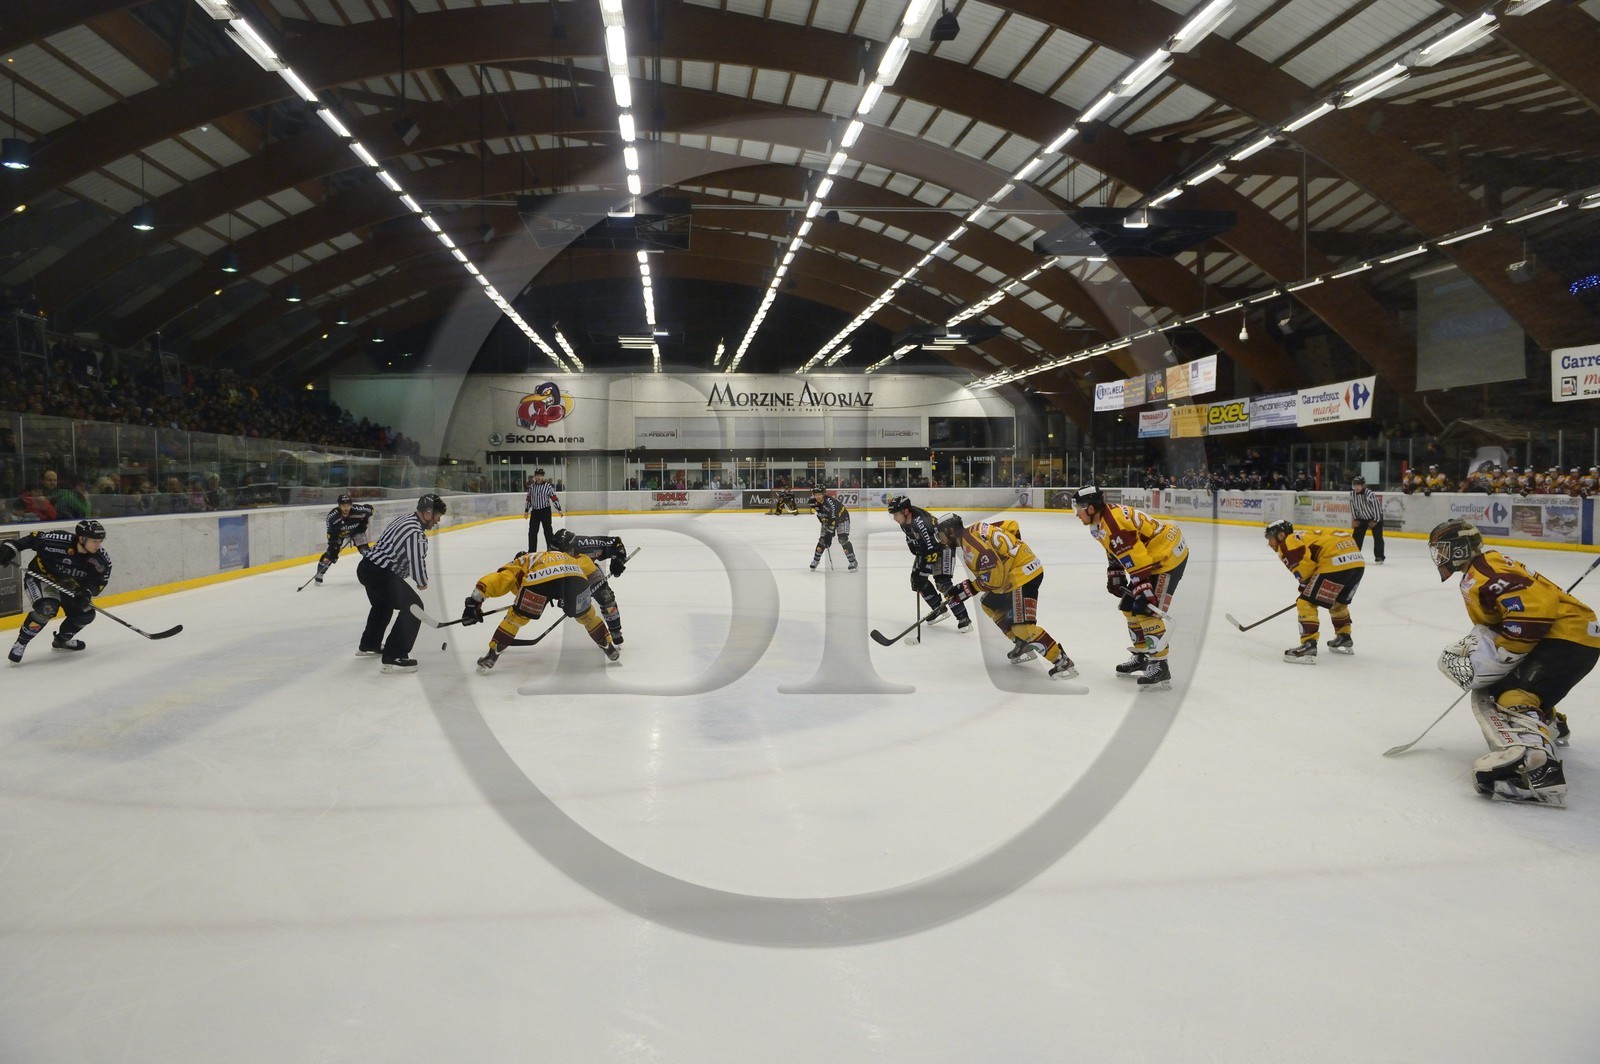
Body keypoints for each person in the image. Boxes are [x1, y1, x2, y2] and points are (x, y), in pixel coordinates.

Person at [1429, 519, 1597, 806]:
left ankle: (1539, 774)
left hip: (1568, 638)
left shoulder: (1484, 571)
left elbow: (1533, 608)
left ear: (1459, 548)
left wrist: (1507, 651)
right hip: (1569, 634)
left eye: (1442, 549)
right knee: (1508, 686)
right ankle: (1552, 724)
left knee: (1512, 697)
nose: (1439, 557)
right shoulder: (1484, 567)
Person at [1072, 486, 1187, 690]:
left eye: (1079, 508)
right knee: (1128, 606)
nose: (1076, 514)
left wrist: (1143, 589)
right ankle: (1143, 655)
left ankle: (1160, 665)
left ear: (1091, 508)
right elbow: (1115, 548)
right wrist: (1115, 571)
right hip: (1150, 556)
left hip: (1167, 557)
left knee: (1146, 610)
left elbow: (1138, 558)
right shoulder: (1099, 523)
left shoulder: (1114, 524)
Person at [934, 512, 1075, 679]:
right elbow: (1011, 525)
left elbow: (995, 580)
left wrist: (966, 589)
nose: (940, 540)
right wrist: (1013, 554)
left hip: (1023, 577)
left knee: (1023, 627)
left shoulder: (971, 547)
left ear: (950, 531)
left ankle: (1061, 660)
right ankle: (1022, 643)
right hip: (1017, 574)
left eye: (941, 535)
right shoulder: (975, 529)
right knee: (989, 604)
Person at [461, 545, 621, 672]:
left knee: (515, 619)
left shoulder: (521, 561)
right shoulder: (558, 555)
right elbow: (586, 562)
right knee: (587, 616)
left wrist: (474, 601)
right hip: (574, 575)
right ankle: (609, 647)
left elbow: (499, 579)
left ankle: (491, 656)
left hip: (538, 580)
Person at [356, 493, 446, 672]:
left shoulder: (405, 519)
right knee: (414, 608)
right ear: (427, 513)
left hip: (366, 568)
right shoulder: (416, 534)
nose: (437, 521)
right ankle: (394, 655)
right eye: (437, 516)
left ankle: (369, 644)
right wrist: (422, 582)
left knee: (382, 606)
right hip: (381, 573)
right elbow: (416, 560)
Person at [2, 518, 111, 663]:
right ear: (81, 538)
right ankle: (21, 642)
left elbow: (98, 582)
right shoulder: (58, 541)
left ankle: (62, 641)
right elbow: (31, 539)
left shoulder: (100, 560)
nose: (98, 545)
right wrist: (11, 547)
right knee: (47, 608)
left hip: (69, 587)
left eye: (100, 541)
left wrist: (86, 592)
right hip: (41, 578)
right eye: (94, 541)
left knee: (86, 614)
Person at [1263, 519, 1363, 663]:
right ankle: (1344, 637)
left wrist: (1305, 590)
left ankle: (1308, 646)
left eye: (1270, 539)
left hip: (1335, 563)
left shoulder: (1287, 543)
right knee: (1338, 602)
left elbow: (1305, 571)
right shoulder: (1304, 535)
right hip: (1357, 562)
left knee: (1305, 603)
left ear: (1280, 536)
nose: (1269, 544)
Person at [887, 494, 971, 633]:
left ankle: (964, 618)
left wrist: (924, 567)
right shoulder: (904, 521)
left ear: (905, 511)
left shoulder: (920, 521)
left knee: (943, 583)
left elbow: (933, 547)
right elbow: (913, 540)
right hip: (928, 549)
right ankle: (939, 609)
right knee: (917, 580)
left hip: (943, 548)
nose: (894, 518)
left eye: (896, 514)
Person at [548, 527, 630, 646]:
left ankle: (615, 630)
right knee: (575, 607)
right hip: (567, 578)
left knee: (606, 596)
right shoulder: (551, 555)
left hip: (590, 572)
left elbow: (616, 543)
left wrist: (617, 559)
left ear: (572, 547)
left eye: (563, 553)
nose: (559, 556)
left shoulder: (585, 544)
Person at [314, 493, 375, 584]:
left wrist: (363, 524)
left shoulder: (358, 510)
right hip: (339, 534)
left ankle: (375, 571)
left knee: (365, 551)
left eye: (348, 505)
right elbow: (331, 535)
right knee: (331, 554)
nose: (346, 508)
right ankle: (320, 572)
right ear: (339, 506)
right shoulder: (333, 518)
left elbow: (371, 509)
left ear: (351, 505)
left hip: (356, 531)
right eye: (343, 505)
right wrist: (334, 547)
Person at [808, 485, 858, 571]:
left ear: (823, 494)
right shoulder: (812, 502)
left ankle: (852, 561)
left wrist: (829, 532)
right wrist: (825, 529)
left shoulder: (829, 503)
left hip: (842, 518)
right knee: (822, 540)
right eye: (815, 494)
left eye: (819, 494)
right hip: (828, 520)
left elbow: (834, 518)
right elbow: (821, 514)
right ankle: (816, 560)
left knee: (843, 539)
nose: (817, 496)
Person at [1347, 475, 1385, 564]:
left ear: (1363, 485)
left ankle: (1379, 556)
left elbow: (1377, 508)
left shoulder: (1370, 494)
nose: (1356, 487)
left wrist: (1375, 520)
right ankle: (1354, 555)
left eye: (1358, 485)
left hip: (1374, 517)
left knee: (1378, 537)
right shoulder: (1352, 494)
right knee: (1356, 537)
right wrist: (1355, 519)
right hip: (1362, 518)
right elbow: (1352, 507)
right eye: (1355, 485)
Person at [523, 469, 562, 553]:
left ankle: (551, 549)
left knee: (548, 531)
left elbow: (554, 497)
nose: (538, 477)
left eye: (540, 476)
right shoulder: (532, 487)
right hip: (535, 512)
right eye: (537, 476)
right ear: (535, 476)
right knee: (532, 532)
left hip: (545, 511)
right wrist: (526, 510)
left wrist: (559, 509)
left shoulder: (548, 486)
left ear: (543, 476)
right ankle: (532, 551)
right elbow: (529, 499)